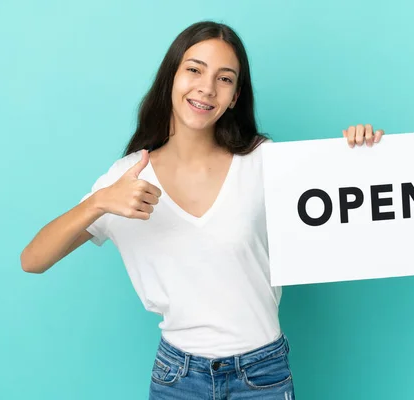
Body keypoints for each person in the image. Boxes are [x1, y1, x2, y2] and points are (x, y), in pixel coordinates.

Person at [20, 20, 385, 400]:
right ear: (171, 77)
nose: (206, 88)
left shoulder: (264, 160)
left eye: (224, 79)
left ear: (234, 96)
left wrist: (361, 156)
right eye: (194, 69)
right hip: (177, 379)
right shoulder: (128, 176)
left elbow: (346, 210)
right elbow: (33, 259)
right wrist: (98, 203)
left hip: (262, 375)